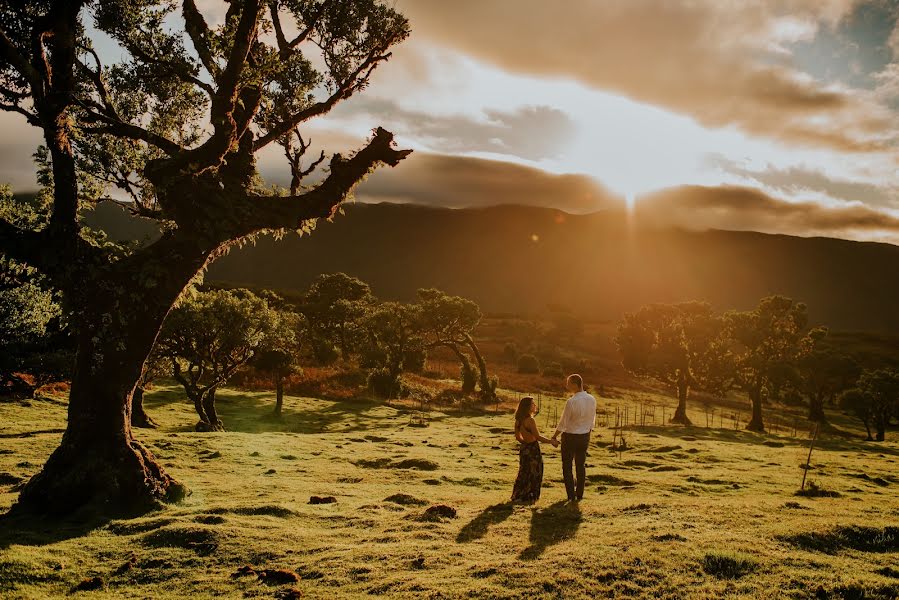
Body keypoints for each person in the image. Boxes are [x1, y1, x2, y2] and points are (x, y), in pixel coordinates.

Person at [551, 374, 597, 502]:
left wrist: (554, 436)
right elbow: (592, 418)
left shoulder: (571, 401)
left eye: (568, 383)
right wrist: (588, 431)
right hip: (584, 436)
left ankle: (571, 495)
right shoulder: (592, 399)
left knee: (567, 466)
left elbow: (563, 423)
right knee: (580, 465)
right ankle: (580, 494)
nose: (567, 386)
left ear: (575, 384)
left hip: (570, 436)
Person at [511, 396, 558, 503]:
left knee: (524, 471)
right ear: (527, 407)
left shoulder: (518, 420)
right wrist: (552, 442)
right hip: (533, 448)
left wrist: (525, 443)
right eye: (532, 404)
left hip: (524, 448)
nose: (535, 405)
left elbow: (518, 437)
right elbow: (538, 437)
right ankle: (531, 495)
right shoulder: (530, 420)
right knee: (536, 472)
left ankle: (518, 494)